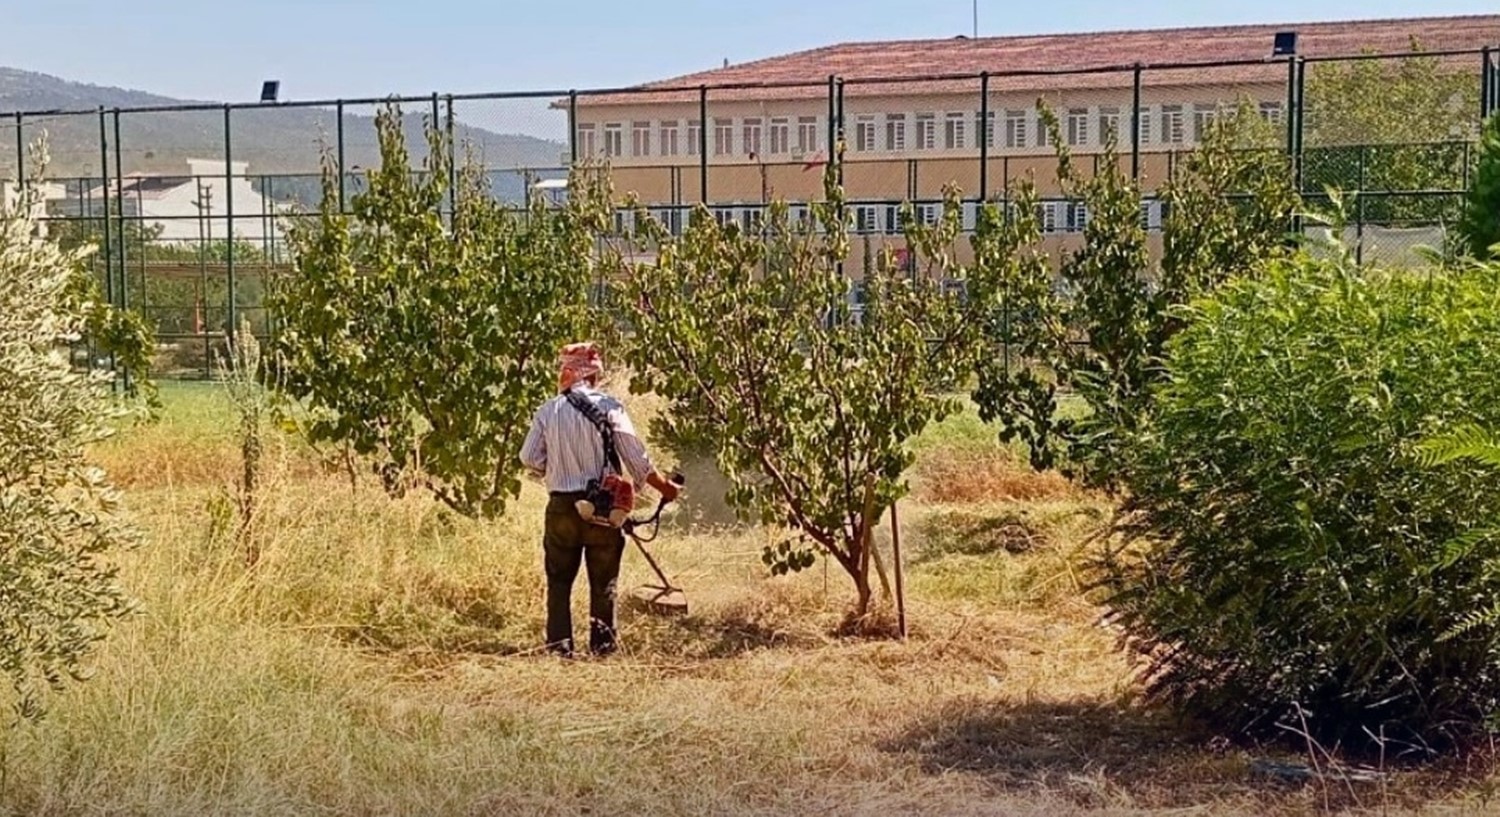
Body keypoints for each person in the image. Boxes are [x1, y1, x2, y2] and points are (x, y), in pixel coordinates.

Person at [519, 341, 680, 658]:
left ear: (567, 372)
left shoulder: (548, 410)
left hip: (562, 507)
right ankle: (602, 651)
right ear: (593, 374)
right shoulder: (610, 407)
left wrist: (557, 469)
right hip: (606, 508)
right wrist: (667, 489)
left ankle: (559, 650)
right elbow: (637, 462)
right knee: (604, 584)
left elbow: (529, 458)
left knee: (559, 583)